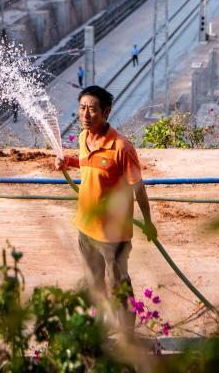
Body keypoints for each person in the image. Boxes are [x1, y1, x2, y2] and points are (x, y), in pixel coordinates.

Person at [54, 86, 156, 328]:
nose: (85, 115)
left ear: (106, 112)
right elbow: (87, 162)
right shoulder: (83, 138)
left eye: (92, 109)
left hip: (113, 234)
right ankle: (97, 330)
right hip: (85, 228)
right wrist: (67, 161)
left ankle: (127, 334)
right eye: (82, 108)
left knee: (118, 285)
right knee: (94, 283)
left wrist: (148, 223)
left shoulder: (122, 148)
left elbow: (138, 188)